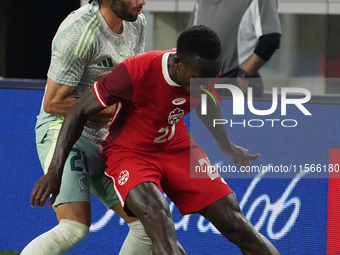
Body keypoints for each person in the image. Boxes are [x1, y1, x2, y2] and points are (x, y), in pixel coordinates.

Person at [30, 25, 280, 254]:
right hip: (131, 154)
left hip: (177, 146)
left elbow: (207, 104)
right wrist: (55, 170)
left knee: (236, 223)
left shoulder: (203, 70)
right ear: (178, 63)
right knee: (159, 220)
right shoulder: (136, 71)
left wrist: (228, 147)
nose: (203, 86)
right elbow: (78, 110)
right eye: (197, 80)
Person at [21, 0, 153, 254]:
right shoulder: (78, 32)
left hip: (106, 137)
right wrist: (116, 110)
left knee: (148, 226)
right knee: (74, 227)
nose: (142, 1)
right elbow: (53, 103)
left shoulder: (138, 22)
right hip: (65, 131)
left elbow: (131, 80)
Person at [188, 0, 282, 98]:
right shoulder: (202, 2)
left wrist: (244, 74)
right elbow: (189, 42)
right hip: (203, 86)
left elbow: (270, 39)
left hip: (236, 84)